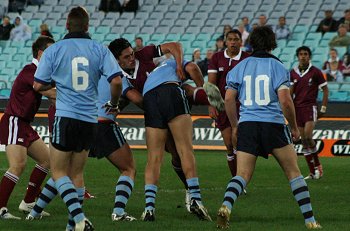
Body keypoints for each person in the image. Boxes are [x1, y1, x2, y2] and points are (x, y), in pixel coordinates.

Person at [217, 26, 321, 230]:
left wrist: (236, 126)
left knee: (242, 175)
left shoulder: (240, 66)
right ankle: (310, 221)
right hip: (273, 124)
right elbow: (285, 100)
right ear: (272, 43)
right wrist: (293, 127)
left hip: (247, 124)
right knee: (294, 173)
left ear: (252, 43)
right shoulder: (278, 66)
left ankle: (225, 206)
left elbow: (228, 99)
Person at [32, 6, 123, 231]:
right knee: (77, 173)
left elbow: (37, 84)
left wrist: (58, 86)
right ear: (87, 26)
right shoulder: (99, 49)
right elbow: (117, 82)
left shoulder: (55, 50)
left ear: (66, 25)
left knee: (59, 172)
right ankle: (72, 227)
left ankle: (79, 218)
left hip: (65, 116)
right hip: (90, 119)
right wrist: (114, 104)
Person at [108, 38, 214, 213]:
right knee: (181, 151)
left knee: (158, 157)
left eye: (132, 54)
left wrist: (178, 66)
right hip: (168, 98)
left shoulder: (143, 55)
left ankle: (151, 206)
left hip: (153, 106)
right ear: (117, 60)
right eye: (126, 57)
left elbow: (174, 46)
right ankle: (194, 194)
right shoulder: (120, 76)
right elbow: (135, 98)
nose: (132, 58)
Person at [140, 58, 211, 221]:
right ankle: (196, 200)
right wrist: (202, 88)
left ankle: (149, 207)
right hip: (170, 91)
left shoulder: (152, 75)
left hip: (149, 98)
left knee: (153, 158)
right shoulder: (173, 63)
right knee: (185, 150)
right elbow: (193, 68)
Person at [0, 36, 55, 220]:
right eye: (51, 52)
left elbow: (54, 95)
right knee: (18, 165)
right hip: (15, 121)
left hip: (24, 124)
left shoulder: (39, 72)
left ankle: (29, 201)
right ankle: (0, 208)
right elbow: (50, 92)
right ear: (41, 53)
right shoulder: (30, 71)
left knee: (47, 160)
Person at [205, 29, 249, 179]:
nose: (233, 42)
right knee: (229, 145)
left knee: (239, 144)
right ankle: (236, 179)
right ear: (225, 41)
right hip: (223, 107)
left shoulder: (247, 58)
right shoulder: (217, 58)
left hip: (242, 106)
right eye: (230, 39)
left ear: (240, 42)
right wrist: (211, 105)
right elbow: (211, 84)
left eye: (236, 39)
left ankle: (240, 179)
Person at [290, 46, 328, 180]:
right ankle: (312, 172)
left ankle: (318, 165)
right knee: (303, 140)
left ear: (309, 56)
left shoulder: (316, 72)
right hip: (297, 108)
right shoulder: (293, 72)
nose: (303, 56)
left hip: (310, 107)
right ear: (297, 56)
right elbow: (290, 92)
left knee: (307, 136)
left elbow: (325, 90)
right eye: (300, 54)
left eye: (305, 54)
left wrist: (323, 108)